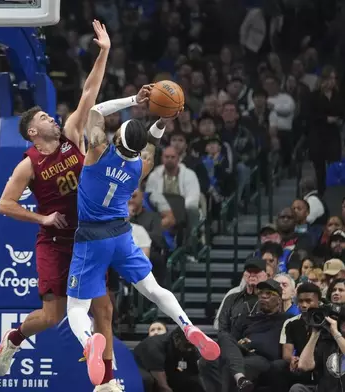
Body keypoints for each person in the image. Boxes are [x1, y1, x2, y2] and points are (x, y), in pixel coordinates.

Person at [65, 88, 220, 390]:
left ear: (117, 138)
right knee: (152, 288)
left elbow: (96, 110)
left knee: (76, 308)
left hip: (91, 236)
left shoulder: (97, 151)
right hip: (122, 234)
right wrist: (163, 118)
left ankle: (89, 342)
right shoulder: (141, 166)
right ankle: (187, 325)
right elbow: (152, 140)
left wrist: (134, 101)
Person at [0, 20, 114, 384]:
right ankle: (12, 339)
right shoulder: (27, 164)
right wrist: (43, 218)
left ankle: (107, 381)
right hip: (55, 243)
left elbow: (90, 92)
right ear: (33, 131)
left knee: (105, 308)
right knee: (51, 317)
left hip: (88, 237)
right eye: (45, 117)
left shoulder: (72, 134)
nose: (52, 117)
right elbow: (5, 205)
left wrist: (104, 51)